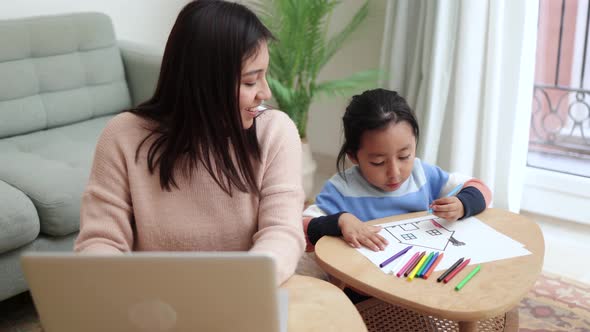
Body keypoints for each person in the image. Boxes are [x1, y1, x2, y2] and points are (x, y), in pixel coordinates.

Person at [74, 0, 305, 285]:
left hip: (244, 297)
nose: (265, 93)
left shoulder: (274, 132)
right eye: (249, 82)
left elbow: (282, 233)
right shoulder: (122, 136)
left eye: (263, 77)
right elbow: (100, 241)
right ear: (204, 82)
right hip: (152, 307)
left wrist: (246, 285)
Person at [303, 88, 492, 253]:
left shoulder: (423, 175)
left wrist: (462, 204)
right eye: (378, 162)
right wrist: (340, 221)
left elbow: (480, 188)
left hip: (417, 267)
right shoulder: (341, 188)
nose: (394, 172)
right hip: (363, 277)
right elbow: (300, 231)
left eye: (404, 156)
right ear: (353, 156)